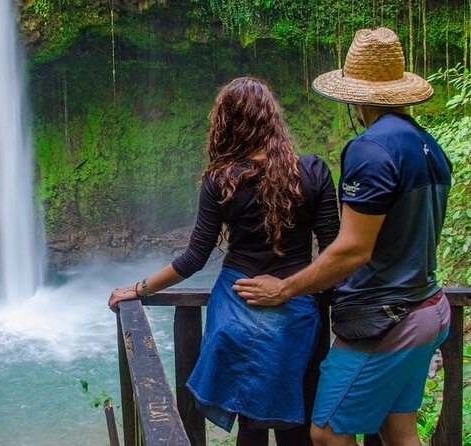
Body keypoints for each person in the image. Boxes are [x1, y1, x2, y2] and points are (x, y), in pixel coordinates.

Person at [233, 28, 452, 446]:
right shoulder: (429, 146)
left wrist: (286, 288)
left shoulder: (370, 149)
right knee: (399, 431)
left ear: (355, 95)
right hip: (429, 307)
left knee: (328, 432)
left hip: (386, 318)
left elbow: (352, 248)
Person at [108, 77, 340, 446]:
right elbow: (334, 253)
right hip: (296, 308)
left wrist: (139, 289)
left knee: (249, 422)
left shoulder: (222, 180)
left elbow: (194, 258)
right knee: (298, 414)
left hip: (236, 308)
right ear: (272, 119)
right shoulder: (313, 172)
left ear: (226, 123)